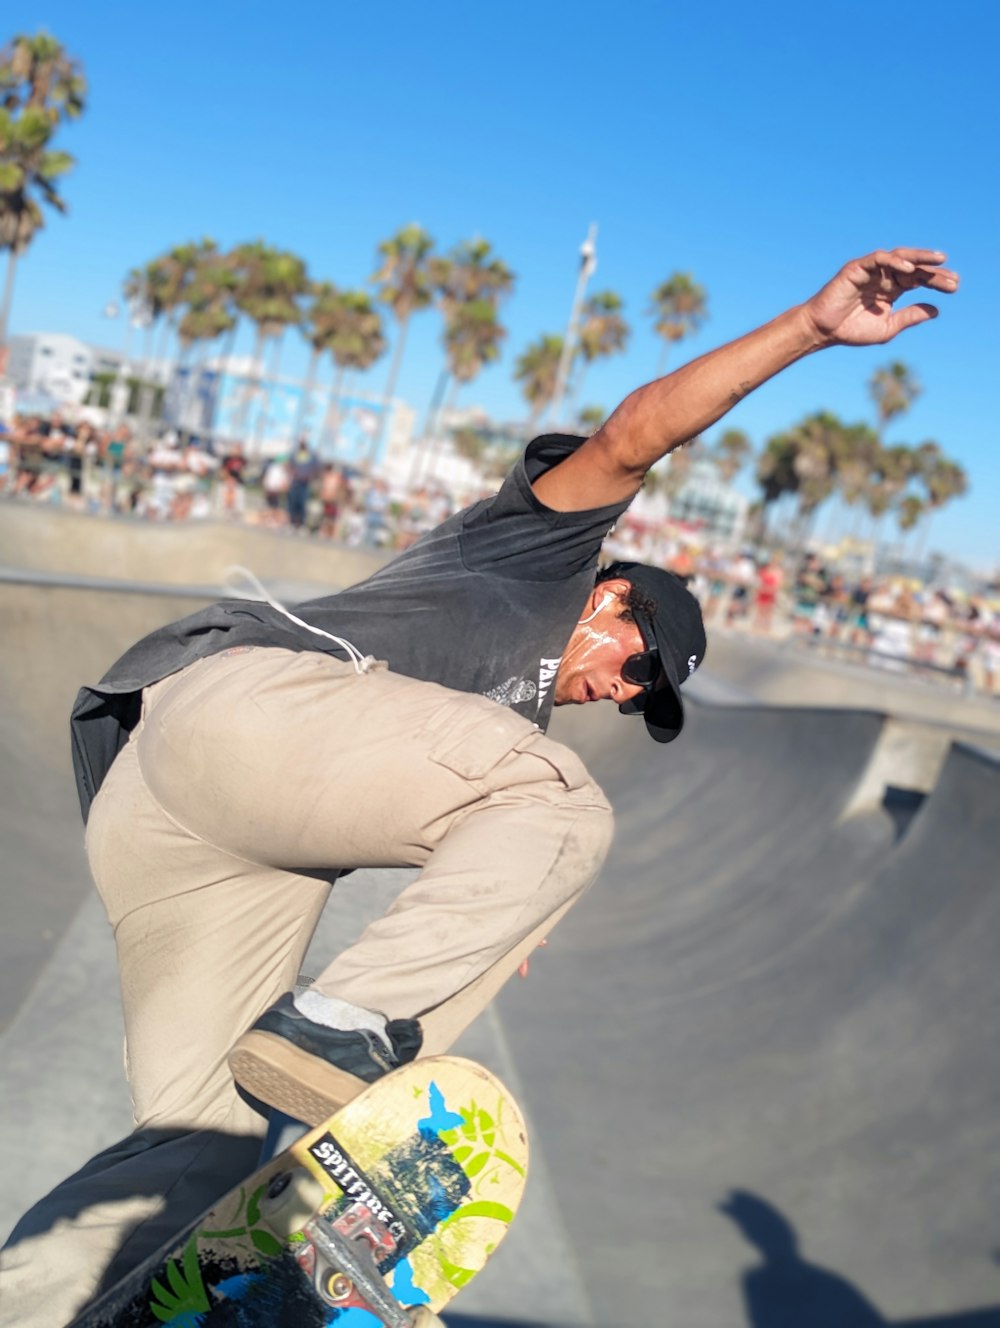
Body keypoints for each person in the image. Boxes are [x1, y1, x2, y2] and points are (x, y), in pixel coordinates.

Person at [0, 246, 958, 1327]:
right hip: (229, 705)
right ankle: (350, 1062)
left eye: (642, 697)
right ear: (611, 597)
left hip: (182, 833)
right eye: (635, 660)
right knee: (564, 808)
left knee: (195, 1139)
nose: (618, 689)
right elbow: (639, 429)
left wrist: (508, 908)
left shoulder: (495, 741)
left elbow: (491, 859)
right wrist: (812, 330)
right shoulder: (535, 549)